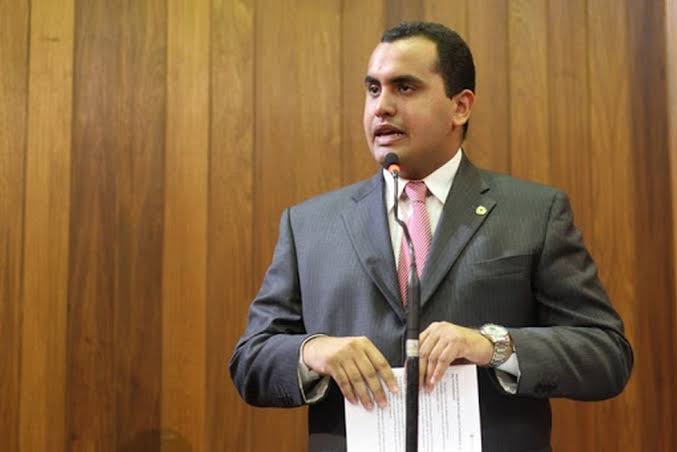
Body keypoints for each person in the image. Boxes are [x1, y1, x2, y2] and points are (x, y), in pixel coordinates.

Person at [230, 21, 633, 452]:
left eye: (404, 88)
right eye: (373, 89)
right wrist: (313, 352)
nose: (381, 107)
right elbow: (250, 360)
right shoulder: (310, 224)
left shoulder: (533, 213)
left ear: (460, 106)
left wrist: (492, 344)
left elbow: (606, 354)